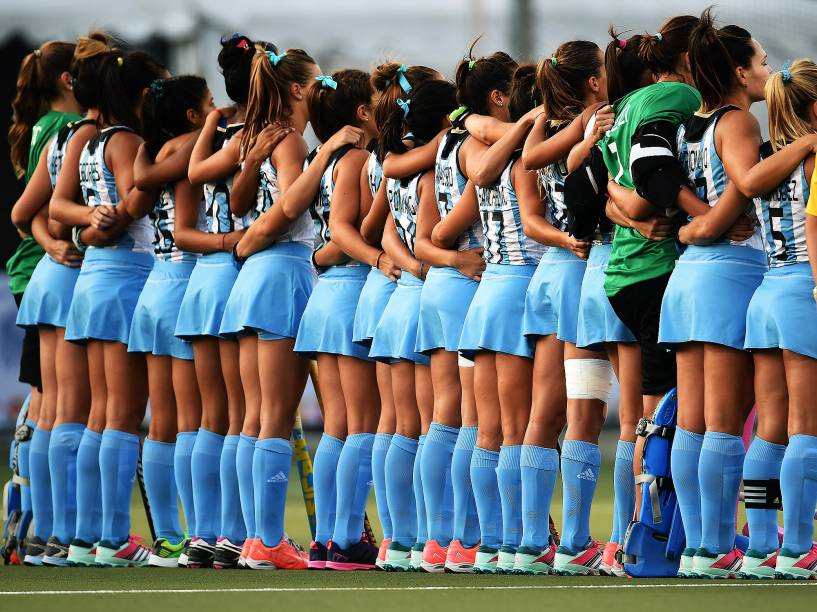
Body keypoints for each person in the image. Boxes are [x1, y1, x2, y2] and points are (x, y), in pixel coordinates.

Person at [56, 49, 167, 567]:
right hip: (125, 275)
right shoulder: (128, 142)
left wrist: (84, 222)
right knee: (120, 415)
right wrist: (104, 218)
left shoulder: (92, 138)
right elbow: (130, 205)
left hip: (96, 278)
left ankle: (86, 536)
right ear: (143, 95)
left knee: (100, 414)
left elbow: (59, 206)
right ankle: (113, 538)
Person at [13, 34, 110, 566]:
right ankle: (69, 534)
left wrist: (50, 240)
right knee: (77, 411)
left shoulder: (55, 134)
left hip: (47, 276)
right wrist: (64, 237)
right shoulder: (83, 134)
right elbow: (56, 209)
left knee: (51, 411)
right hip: (72, 280)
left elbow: (28, 210)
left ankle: (43, 531)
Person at [520, 39, 610, 576]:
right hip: (579, 274)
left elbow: (530, 203)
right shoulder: (594, 122)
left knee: (542, 416)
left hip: (546, 275)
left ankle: (530, 541)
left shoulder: (537, 134)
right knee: (583, 414)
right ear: (593, 83)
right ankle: (576, 541)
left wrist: (556, 238)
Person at [293, 68, 389, 570]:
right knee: (360, 424)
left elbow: (326, 241)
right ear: (360, 113)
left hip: (327, 294)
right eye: (375, 101)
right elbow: (345, 232)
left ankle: (326, 539)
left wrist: (324, 254)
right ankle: (346, 538)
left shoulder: (321, 157)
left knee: (337, 426)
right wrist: (378, 257)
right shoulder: (354, 158)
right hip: (349, 291)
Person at [128, 75, 215, 566]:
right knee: (191, 421)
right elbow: (186, 232)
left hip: (155, 286)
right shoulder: (187, 155)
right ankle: (200, 535)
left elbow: (137, 197)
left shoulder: (156, 153)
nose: (215, 109)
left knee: (162, 423)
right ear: (190, 115)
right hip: (183, 286)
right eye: (207, 104)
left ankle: (167, 537)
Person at [370, 78, 455, 571]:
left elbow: (381, 231)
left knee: (398, 428)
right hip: (423, 296)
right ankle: (430, 538)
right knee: (430, 426)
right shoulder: (432, 167)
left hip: (400, 298)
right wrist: (424, 266)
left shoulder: (398, 169)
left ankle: (398, 541)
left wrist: (400, 263)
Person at [741, 59, 817, 579]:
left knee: (768, 433)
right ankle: (800, 550)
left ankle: (760, 547)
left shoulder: (765, 157)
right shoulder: (812, 160)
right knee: (805, 430)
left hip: (764, 293)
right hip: (799, 294)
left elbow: (743, 192)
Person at [7, 39, 80, 565]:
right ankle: (38, 526)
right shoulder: (63, 131)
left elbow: (25, 210)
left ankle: (33, 521)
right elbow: (32, 209)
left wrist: (45, 236)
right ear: (68, 81)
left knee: (45, 401)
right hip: (47, 273)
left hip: (36, 273)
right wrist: (54, 241)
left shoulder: (42, 127)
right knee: (54, 404)